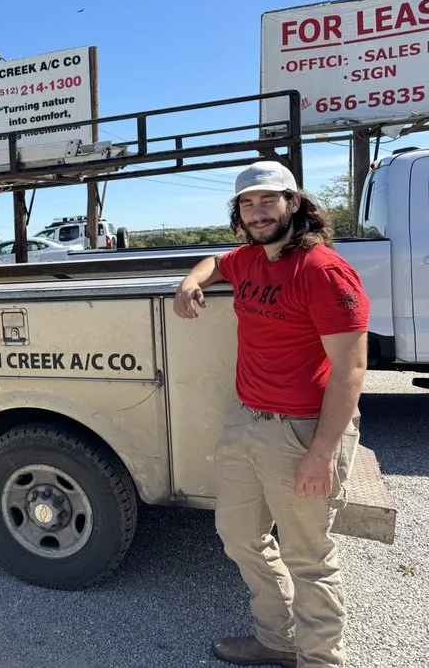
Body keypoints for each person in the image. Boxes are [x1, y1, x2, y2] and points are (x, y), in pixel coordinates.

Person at [173, 161, 369, 668]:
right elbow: (216, 262)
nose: (258, 213)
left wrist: (323, 452)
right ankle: (278, 640)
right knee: (240, 537)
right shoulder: (252, 258)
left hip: (302, 431)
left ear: (294, 203)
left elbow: (351, 367)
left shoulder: (322, 270)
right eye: (247, 205)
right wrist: (190, 282)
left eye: (268, 201)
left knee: (309, 557)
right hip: (248, 421)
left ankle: (322, 659)